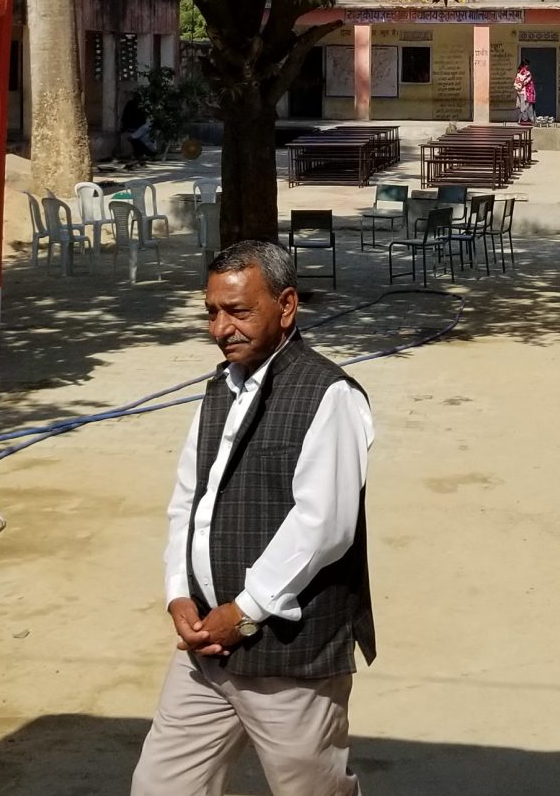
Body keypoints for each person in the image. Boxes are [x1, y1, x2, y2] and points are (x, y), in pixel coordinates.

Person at [132, 241, 376, 796]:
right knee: (161, 785)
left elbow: (324, 526)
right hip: (206, 650)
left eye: (238, 311)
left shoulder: (328, 395)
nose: (222, 329)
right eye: (212, 313)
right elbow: (189, 499)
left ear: (286, 306)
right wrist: (178, 591)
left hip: (289, 656)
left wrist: (243, 614)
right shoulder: (220, 388)